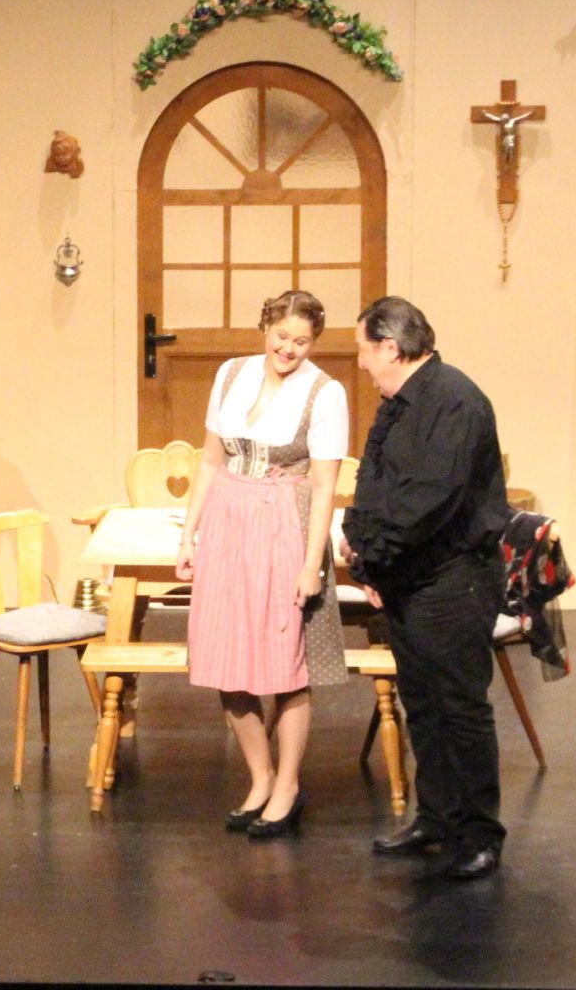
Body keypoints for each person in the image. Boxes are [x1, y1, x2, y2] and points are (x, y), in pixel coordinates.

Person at [341, 296, 511, 881]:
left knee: (460, 707)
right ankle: (437, 818)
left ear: (390, 347)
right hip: (411, 576)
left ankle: (479, 834)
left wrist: (375, 550)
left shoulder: (454, 400)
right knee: (422, 703)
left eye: (364, 349)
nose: (361, 362)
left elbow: (430, 500)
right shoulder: (400, 403)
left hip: (455, 576)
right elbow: (374, 478)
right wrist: (363, 546)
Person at [173, 291, 348, 840]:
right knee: (227, 660)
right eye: (282, 336)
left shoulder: (325, 392)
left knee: (284, 662)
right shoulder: (231, 373)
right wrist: (189, 534)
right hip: (228, 520)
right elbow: (209, 460)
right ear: (265, 329)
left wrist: (311, 564)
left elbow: (324, 487)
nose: (289, 349)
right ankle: (260, 777)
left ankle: (288, 784)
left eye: (302, 341)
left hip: (283, 522)